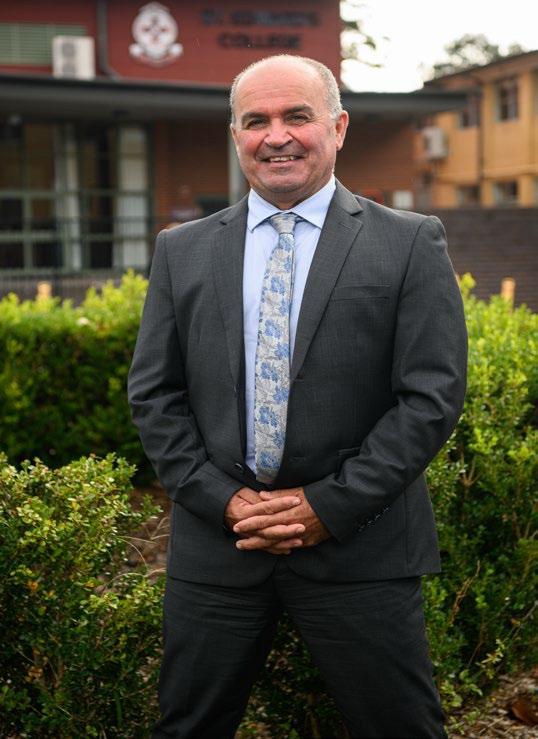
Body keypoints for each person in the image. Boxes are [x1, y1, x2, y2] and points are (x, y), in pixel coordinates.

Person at [128, 54, 467, 739]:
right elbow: (155, 392)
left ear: (338, 128)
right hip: (220, 548)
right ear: (236, 135)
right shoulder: (181, 250)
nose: (276, 136)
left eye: (297, 116)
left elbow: (430, 396)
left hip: (360, 550)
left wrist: (327, 507)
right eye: (256, 120)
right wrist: (224, 501)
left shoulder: (409, 243)